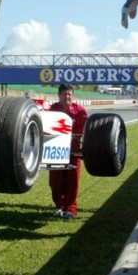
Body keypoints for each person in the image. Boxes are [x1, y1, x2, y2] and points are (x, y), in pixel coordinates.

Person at [49, 84, 88, 219]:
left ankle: (70, 209)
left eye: (70, 94)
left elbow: (86, 131)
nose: (67, 97)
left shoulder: (80, 111)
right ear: (59, 95)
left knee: (73, 182)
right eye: (65, 94)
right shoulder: (52, 110)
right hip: (56, 152)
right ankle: (59, 206)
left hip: (74, 152)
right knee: (55, 181)